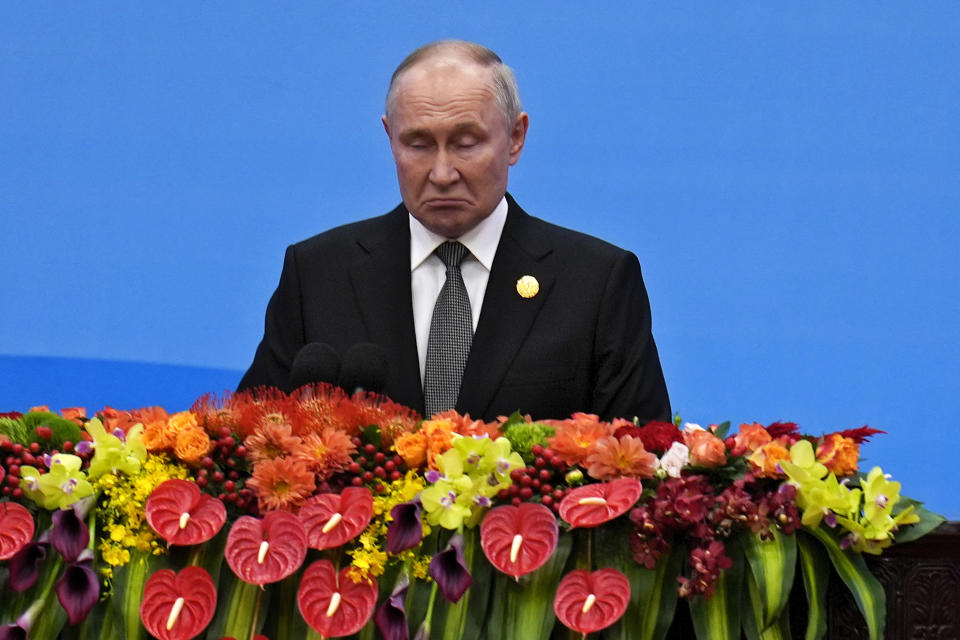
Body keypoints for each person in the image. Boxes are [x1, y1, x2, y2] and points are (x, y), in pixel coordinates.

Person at [238, 40, 670, 424]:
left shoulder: (597, 282)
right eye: (418, 144)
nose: (442, 173)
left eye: (466, 143)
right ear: (390, 139)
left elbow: (641, 463)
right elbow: (247, 446)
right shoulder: (317, 274)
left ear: (515, 137)